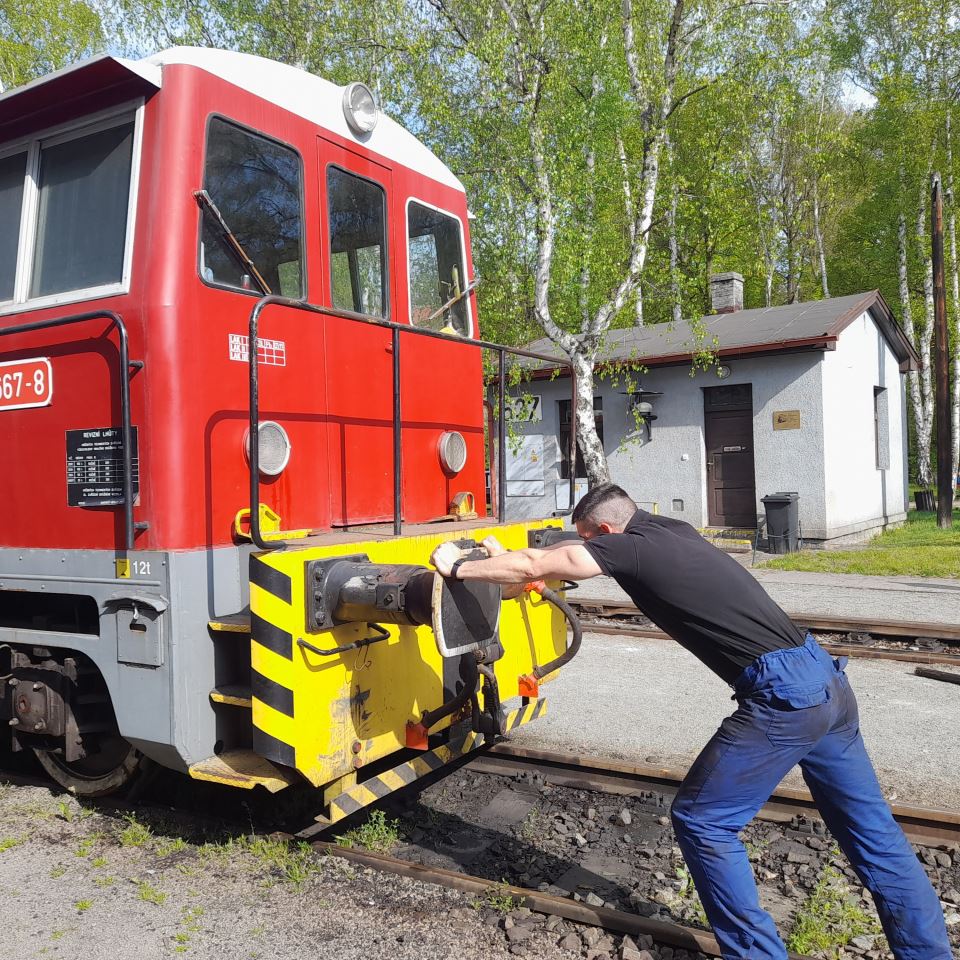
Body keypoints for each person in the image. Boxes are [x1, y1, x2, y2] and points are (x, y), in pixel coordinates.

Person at [430, 483, 951, 960]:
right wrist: (518, 562)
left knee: (703, 821)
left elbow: (560, 559)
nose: (590, 547)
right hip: (826, 679)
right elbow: (552, 562)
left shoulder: (625, 547)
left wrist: (459, 567)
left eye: (591, 539)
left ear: (607, 533)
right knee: (874, 834)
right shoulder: (666, 529)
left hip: (784, 697)